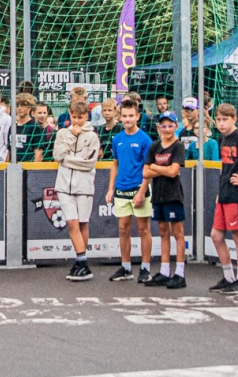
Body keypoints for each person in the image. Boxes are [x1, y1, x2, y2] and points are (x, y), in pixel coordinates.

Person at [52, 98, 100, 282]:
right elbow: (57, 155)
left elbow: (89, 163)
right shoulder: (62, 133)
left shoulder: (92, 136)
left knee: (82, 224)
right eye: (74, 117)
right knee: (72, 223)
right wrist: (71, 137)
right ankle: (83, 262)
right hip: (64, 186)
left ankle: (80, 261)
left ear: (86, 116)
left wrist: (67, 160)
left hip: (84, 186)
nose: (77, 121)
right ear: (70, 116)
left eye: (80, 117)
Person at [105, 98, 153, 283]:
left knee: (143, 229)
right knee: (123, 229)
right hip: (121, 190)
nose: (128, 119)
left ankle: (145, 268)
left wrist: (142, 191)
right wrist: (111, 189)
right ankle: (126, 268)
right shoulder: (117, 139)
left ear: (137, 116)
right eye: (124, 116)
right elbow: (115, 164)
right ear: (120, 117)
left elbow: (148, 169)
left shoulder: (145, 140)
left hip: (139, 189)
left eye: (131, 116)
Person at [209, 102, 238, 294]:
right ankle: (229, 277)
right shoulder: (222, 138)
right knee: (216, 235)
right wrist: (220, 190)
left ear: (234, 119)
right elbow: (224, 166)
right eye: (218, 119)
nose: (221, 123)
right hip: (225, 191)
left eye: (225, 119)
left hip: (237, 194)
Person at [142, 111, 188, 289]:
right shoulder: (155, 146)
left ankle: (180, 272)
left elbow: (173, 171)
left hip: (173, 194)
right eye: (163, 126)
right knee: (163, 231)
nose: (167, 129)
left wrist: (155, 166)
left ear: (176, 126)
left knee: (178, 232)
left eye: (170, 125)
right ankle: (164, 270)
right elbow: (146, 172)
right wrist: (162, 168)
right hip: (158, 194)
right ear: (158, 127)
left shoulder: (178, 146)